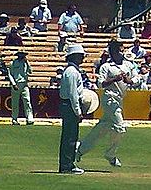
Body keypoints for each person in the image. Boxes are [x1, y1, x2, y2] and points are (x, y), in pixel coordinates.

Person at [76, 39, 140, 167]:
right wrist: (114, 79)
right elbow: (100, 83)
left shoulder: (128, 65)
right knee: (120, 127)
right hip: (110, 98)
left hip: (120, 99)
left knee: (102, 128)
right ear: (114, 52)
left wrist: (130, 81)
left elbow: (137, 78)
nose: (123, 52)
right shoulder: (106, 66)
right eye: (120, 50)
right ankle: (110, 154)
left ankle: (80, 149)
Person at [58, 44, 86, 174]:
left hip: (68, 105)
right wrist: (78, 111)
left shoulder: (71, 71)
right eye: (80, 56)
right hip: (69, 106)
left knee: (70, 136)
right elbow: (73, 94)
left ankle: (67, 164)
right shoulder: (72, 72)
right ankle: (67, 165)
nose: (82, 58)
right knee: (70, 137)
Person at [7, 51, 34, 125]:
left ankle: (29, 119)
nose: (22, 57)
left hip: (25, 84)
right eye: (21, 55)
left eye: (23, 55)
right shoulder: (13, 63)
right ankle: (14, 119)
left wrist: (28, 63)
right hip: (16, 84)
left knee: (27, 101)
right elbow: (10, 74)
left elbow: (31, 72)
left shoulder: (25, 63)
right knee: (15, 103)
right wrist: (14, 84)